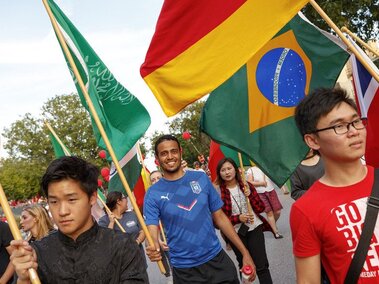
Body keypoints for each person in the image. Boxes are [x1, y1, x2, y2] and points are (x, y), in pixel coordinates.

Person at [10, 156, 148, 283]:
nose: (62, 211)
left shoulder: (124, 247)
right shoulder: (35, 255)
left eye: (71, 200)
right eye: (54, 202)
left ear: (92, 197)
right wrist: (24, 280)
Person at [289, 88, 377, 283]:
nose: (354, 131)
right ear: (312, 140)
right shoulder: (305, 210)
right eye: (340, 126)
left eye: (355, 122)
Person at [144, 134, 256, 283]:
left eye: (173, 151)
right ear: (157, 159)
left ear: (180, 152)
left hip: (217, 261)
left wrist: (244, 252)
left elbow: (221, 218)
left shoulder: (200, 178)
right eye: (164, 153)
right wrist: (152, 245)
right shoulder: (153, 193)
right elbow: (151, 230)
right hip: (185, 273)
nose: (170, 156)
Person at [216, 158, 273, 283]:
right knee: (245, 267)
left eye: (229, 168)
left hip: (254, 227)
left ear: (235, 170)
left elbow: (261, 208)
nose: (227, 172)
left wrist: (250, 194)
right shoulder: (219, 192)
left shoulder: (246, 185)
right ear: (219, 173)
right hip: (235, 233)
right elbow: (219, 221)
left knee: (262, 265)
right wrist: (238, 218)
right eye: (223, 170)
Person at [98, 192, 147, 269]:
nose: (127, 200)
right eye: (125, 198)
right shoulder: (103, 221)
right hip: (120, 266)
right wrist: (111, 222)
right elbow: (105, 241)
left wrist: (136, 242)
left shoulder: (132, 214)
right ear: (119, 201)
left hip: (139, 261)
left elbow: (143, 231)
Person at [246, 166, 284, 239]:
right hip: (260, 193)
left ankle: (272, 224)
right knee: (269, 213)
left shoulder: (265, 166)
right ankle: (275, 232)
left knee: (277, 211)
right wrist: (261, 183)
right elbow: (249, 182)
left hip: (271, 190)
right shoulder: (251, 170)